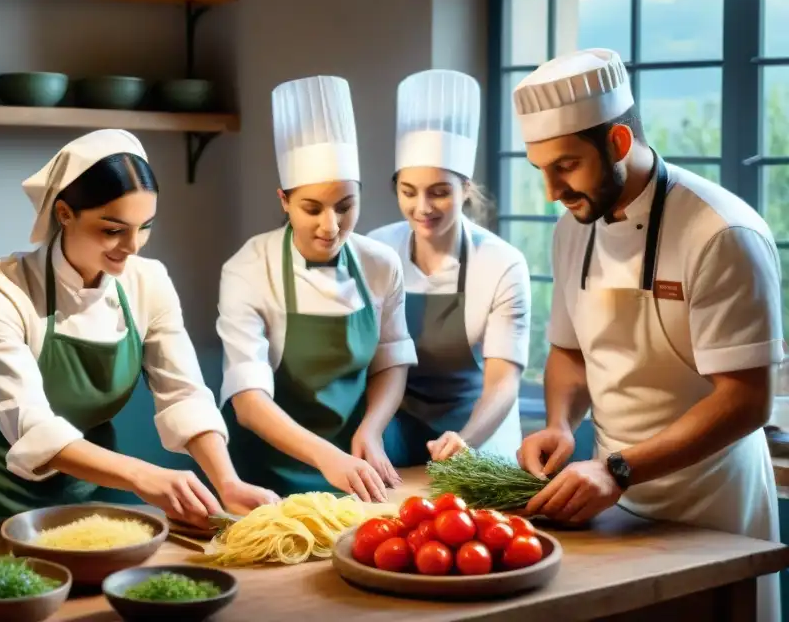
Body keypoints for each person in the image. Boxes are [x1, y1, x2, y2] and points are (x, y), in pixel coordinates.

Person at [511, 48, 782, 621]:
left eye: (564, 166)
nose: (551, 190)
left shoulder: (721, 233)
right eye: (540, 169)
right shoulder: (572, 229)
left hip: (713, 507)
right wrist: (560, 423)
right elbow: (569, 352)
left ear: (618, 144)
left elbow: (747, 399)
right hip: (610, 503)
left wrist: (617, 470)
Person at [0, 129, 278, 526]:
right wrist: (144, 476)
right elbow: (31, 424)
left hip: (101, 486)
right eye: (113, 230)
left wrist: (227, 483)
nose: (134, 246)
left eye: (145, 226)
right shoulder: (2, 288)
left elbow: (183, 393)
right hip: (4, 497)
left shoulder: (149, 281)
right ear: (64, 213)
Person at [216, 75, 418, 502]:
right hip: (267, 475)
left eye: (346, 206)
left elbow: (391, 362)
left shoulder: (381, 264)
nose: (331, 227)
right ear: (284, 200)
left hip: (358, 467)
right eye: (312, 208)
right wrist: (328, 458)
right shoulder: (249, 269)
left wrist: (372, 429)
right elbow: (249, 403)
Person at [368, 69, 531, 467]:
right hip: (397, 427)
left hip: (479, 431)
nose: (422, 207)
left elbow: (503, 380)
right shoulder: (375, 249)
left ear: (466, 189)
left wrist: (464, 441)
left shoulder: (501, 263)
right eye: (408, 192)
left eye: (439, 192)